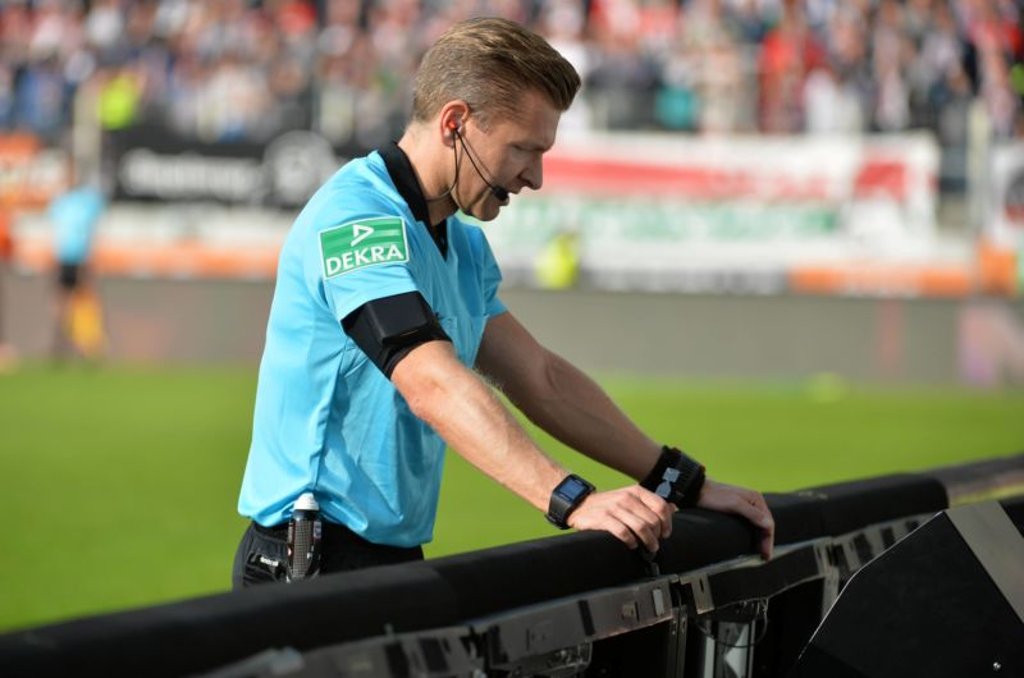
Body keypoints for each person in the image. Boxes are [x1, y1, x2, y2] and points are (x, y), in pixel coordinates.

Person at [233, 17, 774, 589]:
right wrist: (572, 500)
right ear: (455, 123)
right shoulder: (356, 221)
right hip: (308, 567)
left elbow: (539, 378)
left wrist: (684, 485)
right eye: (524, 149)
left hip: (386, 561)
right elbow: (430, 381)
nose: (535, 177)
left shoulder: (462, 242)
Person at [49, 162, 106, 361]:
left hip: (82, 258)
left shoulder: (86, 201)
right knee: (61, 304)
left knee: (85, 302)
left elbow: (92, 229)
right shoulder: (60, 202)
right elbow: (57, 233)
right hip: (64, 258)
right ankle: (61, 344)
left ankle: (88, 346)